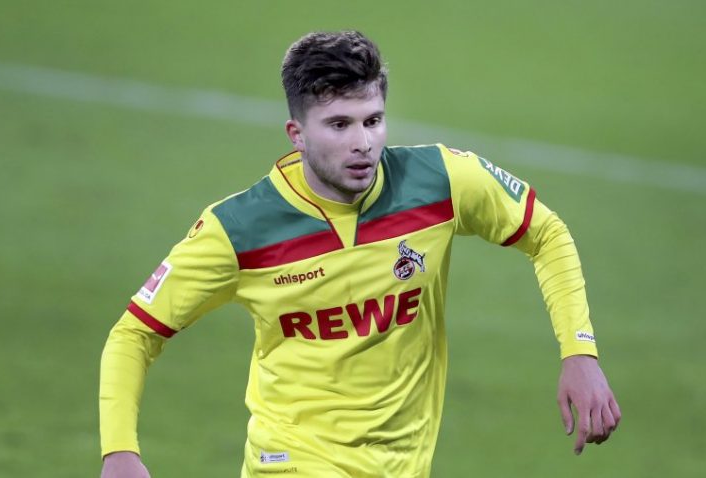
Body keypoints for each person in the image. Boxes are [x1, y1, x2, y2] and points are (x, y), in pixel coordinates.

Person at [99, 30, 621, 478]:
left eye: (372, 121)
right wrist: (120, 451)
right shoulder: (239, 229)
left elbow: (546, 232)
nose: (363, 143)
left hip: (404, 463)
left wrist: (579, 352)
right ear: (297, 134)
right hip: (291, 460)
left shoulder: (440, 182)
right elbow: (135, 332)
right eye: (339, 124)